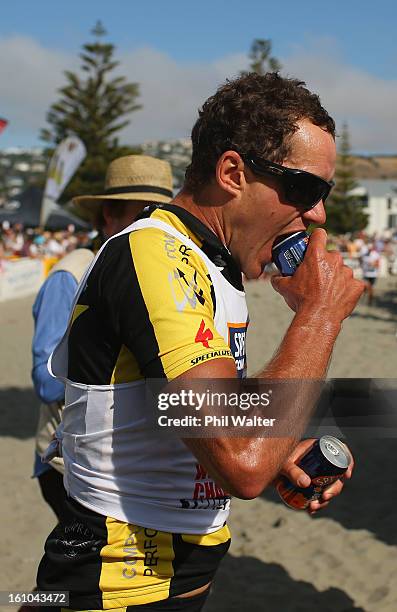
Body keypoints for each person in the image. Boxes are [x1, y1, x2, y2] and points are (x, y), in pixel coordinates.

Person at [37, 73, 364, 611]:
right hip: (116, 584)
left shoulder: (209, 262)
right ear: (233, 172)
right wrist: (319, 315)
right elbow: (242, 463)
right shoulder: (158, 255)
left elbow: (184, 411)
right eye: (306, 189)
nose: (318, 214)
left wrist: (282, 447)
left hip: (166, 575)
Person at [31, 155, 173, 523]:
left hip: (124, 467)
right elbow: (46, 383)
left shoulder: (155, 273)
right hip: (69, 467)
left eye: (163, 215)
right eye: (144, 214)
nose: (156, 226)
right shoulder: (69, 275)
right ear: (108, 216)